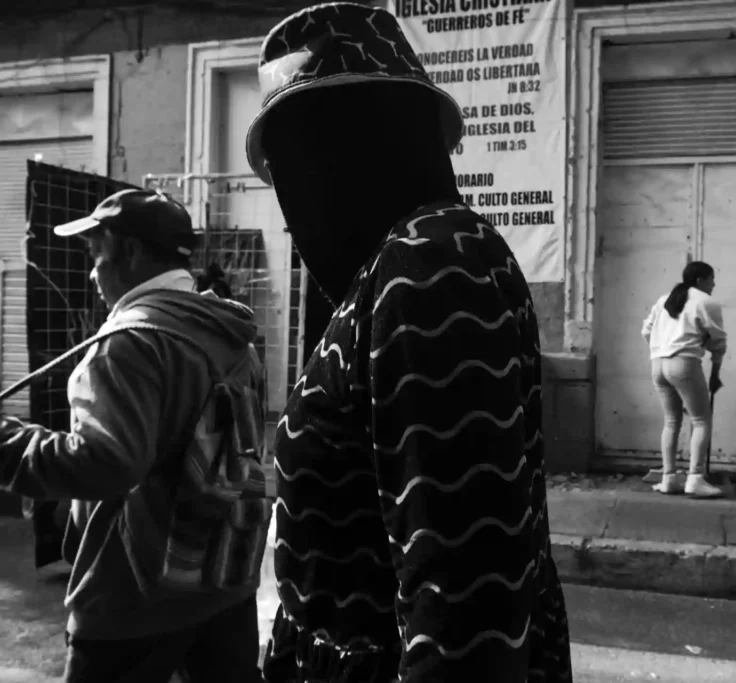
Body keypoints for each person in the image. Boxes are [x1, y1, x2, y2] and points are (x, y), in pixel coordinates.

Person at [246, 4, 572, 682]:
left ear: (361, 142)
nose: (291, 197)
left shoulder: (430, 263)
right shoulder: (387, 272)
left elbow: (465, 607)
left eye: (299, 158)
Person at [0, 188, 267, 682]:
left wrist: (9, 443)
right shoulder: (230, 332)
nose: (91, 273)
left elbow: (106, 464)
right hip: (224, 582)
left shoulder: (128, 344)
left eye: (95, 255)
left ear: (131, 253)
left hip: (135, 601)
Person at [641, 261, 727, 497]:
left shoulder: (665, 299)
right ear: (700, 280)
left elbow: (646, 330)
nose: (714, 284)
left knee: (671, 421)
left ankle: (669, 479)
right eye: (711, 278)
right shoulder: (706, 302)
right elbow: (718, 341)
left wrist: (661, 348)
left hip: (658, 364)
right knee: (701, 420)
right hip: (683, 364)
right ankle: (695, 478)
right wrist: (715, 372)